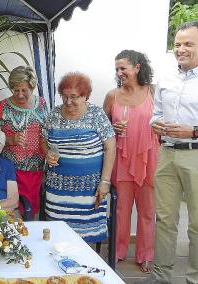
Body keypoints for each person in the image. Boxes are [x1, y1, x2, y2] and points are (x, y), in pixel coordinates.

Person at [137, 21, 198, 284]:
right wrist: (155, 123)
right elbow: (156, 114)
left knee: (196, 225)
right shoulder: (165, 78)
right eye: (177, 44)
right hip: (167, 154)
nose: (181, 49)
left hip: (195, 154)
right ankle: (160, 277)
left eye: (188, 44)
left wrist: (194, 131)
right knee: (164, 219)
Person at [42, 72, 116, 243]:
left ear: (85, 96)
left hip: (89, 190)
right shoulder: (54, 114)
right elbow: (43, 140)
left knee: (85, 239)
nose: (68, 102)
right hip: (58, 189)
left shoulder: (96, 114)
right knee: (58, 237)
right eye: (64, 96)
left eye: (74, 97)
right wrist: (47, 153)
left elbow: (111, 147)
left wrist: (105, 181)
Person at [103, 50, 159, 273]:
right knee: (121, 209)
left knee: (147, 210)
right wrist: (112, 128)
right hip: (122, 158)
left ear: (137, 68)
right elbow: (102, 128)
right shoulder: (112, 96)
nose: (119, 72)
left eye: (123, 68)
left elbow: (164, 121)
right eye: (117, 68)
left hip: (149, 159)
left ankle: (146, 254)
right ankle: (117, 251)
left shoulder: (153, 91)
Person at [0, 65, 47, 216]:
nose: (20, 94)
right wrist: (11, 139)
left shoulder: (41, 104)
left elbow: (47, 132)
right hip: (10, 171)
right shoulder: (4, 106)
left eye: (24, 90)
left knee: (31, 209)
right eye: (16, 90)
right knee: (13, 210)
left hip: (36, 169)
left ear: (32, 87)